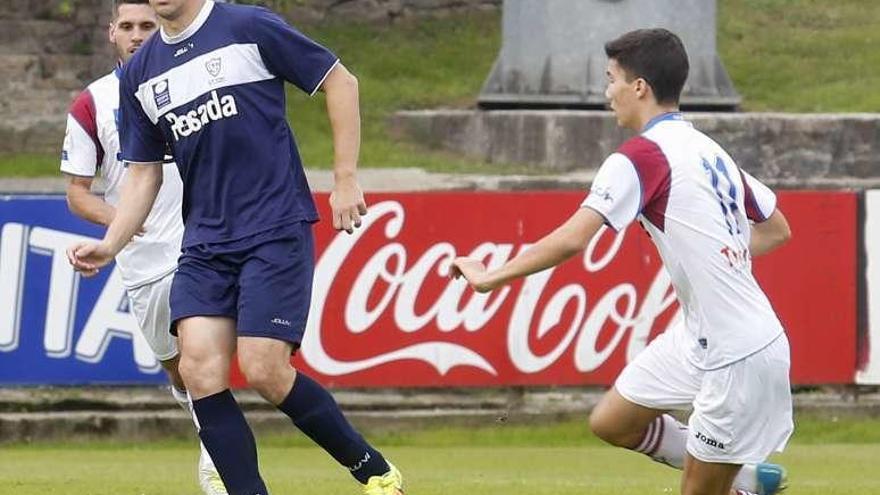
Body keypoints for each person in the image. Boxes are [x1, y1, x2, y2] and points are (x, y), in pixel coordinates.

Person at [66, 1, 403, 494]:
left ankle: (370, 467)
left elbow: (340, 80)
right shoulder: (140, 72)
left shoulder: (246, 25)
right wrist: (111, 242)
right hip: (203, 240)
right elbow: (143, 174)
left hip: (273, 224)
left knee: (265, 369)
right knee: (198, 369)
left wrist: (345, 178)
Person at [452, 28, 793, 495]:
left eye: (611, 78)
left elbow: (574, 239)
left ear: (639, 87)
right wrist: (720, 250)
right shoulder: (707, 149)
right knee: (613, 420)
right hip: (700, 340)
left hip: (737, 352)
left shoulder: (642, 155)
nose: (606, 91)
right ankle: (748, 478)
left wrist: (491, 277)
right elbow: (777, 229)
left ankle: (734, 480)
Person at [60, 1, 225, 494]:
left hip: (207, 241)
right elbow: (77, 193)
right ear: (112, 33)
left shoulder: (200, 76)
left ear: (164, 27)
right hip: (144, 262)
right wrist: (126, 224)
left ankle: (217, 458)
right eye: (127, 26)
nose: (137, 35)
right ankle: (203, 419)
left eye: (146, 26)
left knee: (205, 361)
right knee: (178, 367)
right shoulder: (92, 103)